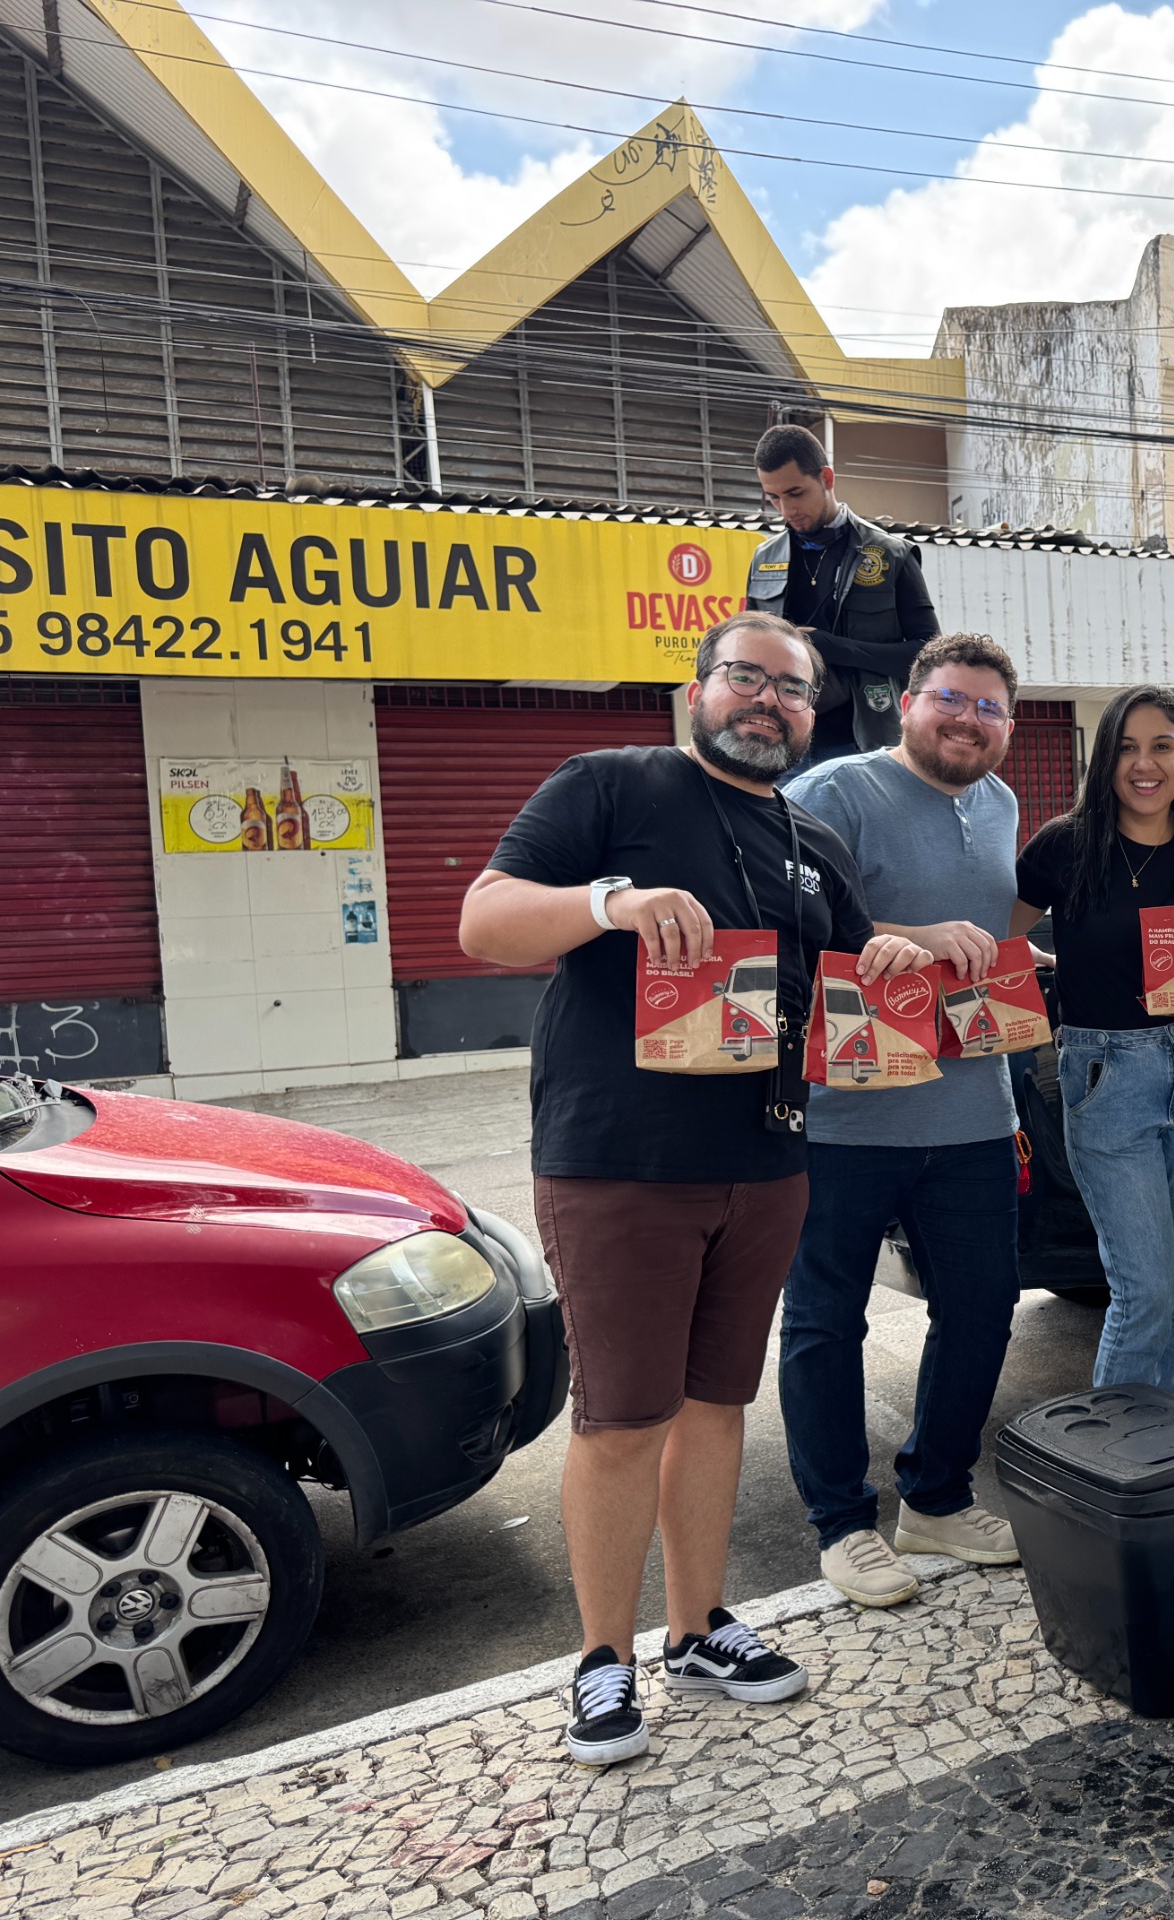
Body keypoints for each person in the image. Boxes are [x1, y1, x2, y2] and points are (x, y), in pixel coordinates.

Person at [459, 611, 931, 1767]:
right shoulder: (611, 787)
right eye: (746, 679)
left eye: (791, 689)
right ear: (699, 687)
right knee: (625, 1416)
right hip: (620, 1161)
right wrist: (608, 904)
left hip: (767, 1160)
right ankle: (601, 1662)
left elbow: (847, 968)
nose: (767, 701)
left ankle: (698, 1627)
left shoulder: (812, 839)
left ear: (813, 714)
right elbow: (482, 920)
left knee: (718, 1405)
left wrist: (903, 954)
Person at [778, 633, 1029, 1608]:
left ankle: (936, 1496)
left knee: (981, 1309)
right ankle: (841, 1524)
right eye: (952, 700)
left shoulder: (1002, 803)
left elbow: (985, 948)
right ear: (910, 702)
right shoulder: (834, 794)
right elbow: (782, 918)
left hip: (971, 1112)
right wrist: (914, 940)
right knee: (824, 1319)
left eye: (989, 708)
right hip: (843, 1115)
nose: (968, 721)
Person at [1012, 687, 1174, 1390]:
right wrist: (1049, 966)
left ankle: (1156, 1450)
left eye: (1161, 746)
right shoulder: (1064, 846)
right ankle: (1109, 1466)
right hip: (1107, 1077)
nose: (1144, 764)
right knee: (1144, 1294)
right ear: (1105, 758)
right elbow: (997, 938)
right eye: (1126, 747)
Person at [745, 422, 941, 767]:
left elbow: (929, 656)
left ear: (826, 479)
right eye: (773, 498)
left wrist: (833, 647)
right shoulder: (765, 559)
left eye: (795, 493)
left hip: (866, 745)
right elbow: (749, 648)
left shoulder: (891, 554)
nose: (786, 510)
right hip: (783, 747)